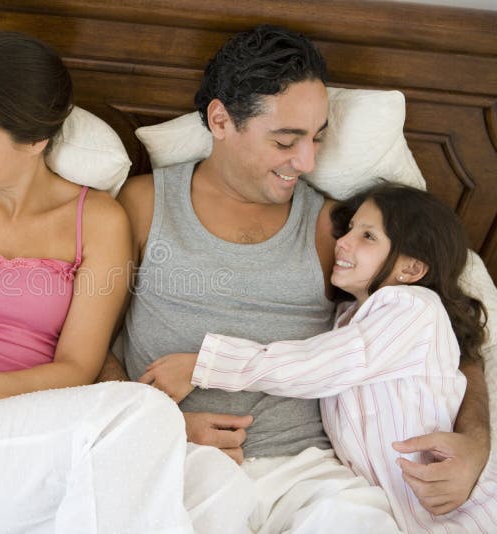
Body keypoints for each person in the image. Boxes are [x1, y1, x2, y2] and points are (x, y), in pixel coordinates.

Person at [0, 32, 246, 533]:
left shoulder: (97, 220)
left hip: (30, 433)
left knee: (221, 485)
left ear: (35, 139)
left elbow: (77, 365)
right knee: (144, 417)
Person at [100, 24, 492, 532]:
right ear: (220, 120)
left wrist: (476, 443)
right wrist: (157, 425)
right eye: (286, 140)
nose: (305, 162)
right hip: (176, 458)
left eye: (317, 138)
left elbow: (449, 337)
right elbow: (90, 342)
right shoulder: (144, 205)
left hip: (309, 472)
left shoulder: (337, 229)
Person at [142, 183, 497, 532]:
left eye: (368, 236)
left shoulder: (412, 307)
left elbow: (318, 365)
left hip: (465, 510)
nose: (343, 241)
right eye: (350, 229)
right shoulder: (347, 317)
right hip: (407, 511)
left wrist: (207, 364)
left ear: (411, 270)